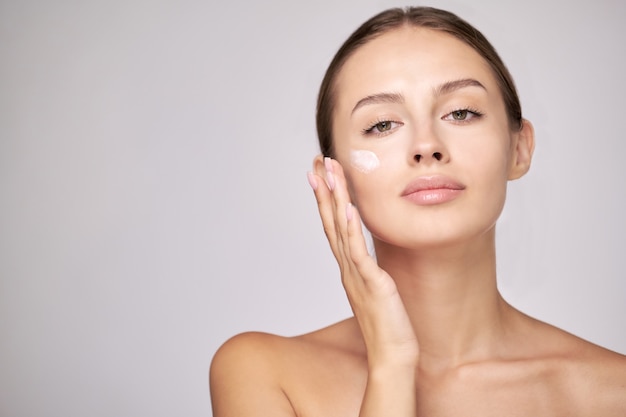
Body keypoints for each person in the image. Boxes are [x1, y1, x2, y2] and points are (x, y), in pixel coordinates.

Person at [209, 6, 626, 416]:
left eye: (461, 112)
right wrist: (391, 361)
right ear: (333, 177)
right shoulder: (265, 374)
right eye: (382, 125)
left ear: (519, 148)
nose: (427, 145)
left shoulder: (613, 392)